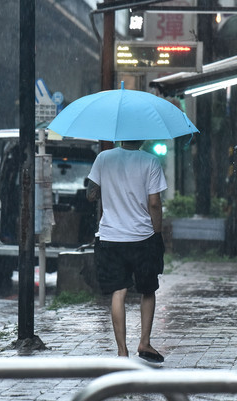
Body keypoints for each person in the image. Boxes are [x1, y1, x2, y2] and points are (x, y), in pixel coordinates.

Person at [86, 140, 166, 363]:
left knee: (118, 291)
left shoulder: (104, 158)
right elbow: (154, 203)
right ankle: (144, 342)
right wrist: (157, 233)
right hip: (143, 237)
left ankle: (122, 352)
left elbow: (90, 195)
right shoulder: (151, 162)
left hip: (110, 237)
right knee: (148, 289)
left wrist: (107, 184)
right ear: (141, 138)